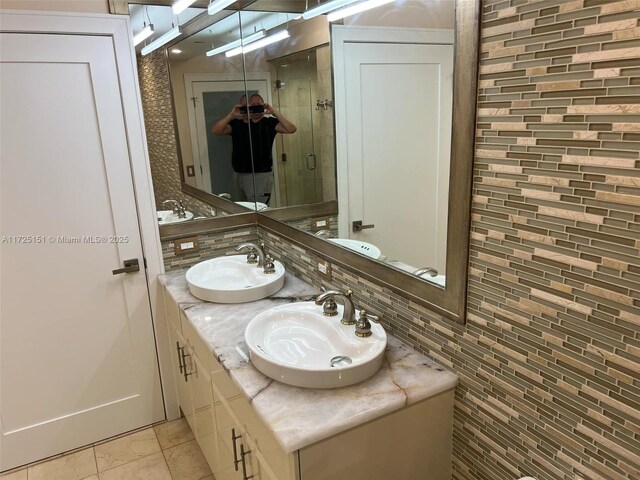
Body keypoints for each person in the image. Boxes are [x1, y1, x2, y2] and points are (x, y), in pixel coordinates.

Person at [212, 94, 297, 204]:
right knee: (244, 209)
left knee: (259, 210)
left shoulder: (269, 123)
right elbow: (216, 131)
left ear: (264, 105)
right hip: (239, 174)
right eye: (252, 105)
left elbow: (291, 129)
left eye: (258, 104)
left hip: (260, 176)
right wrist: (232, 114)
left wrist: (274, 112)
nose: (255, 107)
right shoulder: (236, 124)